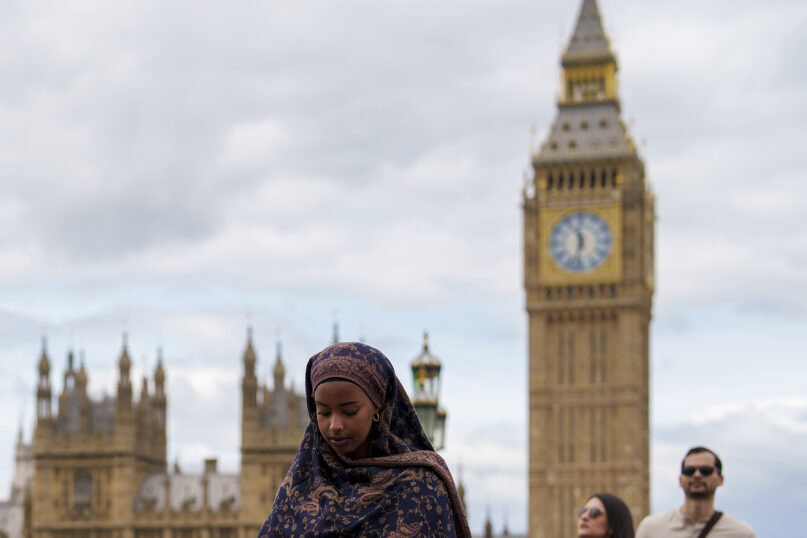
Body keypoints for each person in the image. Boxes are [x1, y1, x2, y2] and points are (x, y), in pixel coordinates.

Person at [258, 342, 471, 537]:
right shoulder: (298, 490)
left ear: (379, 407)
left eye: (349, 411)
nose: (335, 425)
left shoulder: (422, 487)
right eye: (323, 412)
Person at [636, 446, 757, 537]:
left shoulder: (741, 534)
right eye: (689, 470)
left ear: (720, 479)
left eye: (706, 470)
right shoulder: (651, 528)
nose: (697, 475)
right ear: (680, 480)